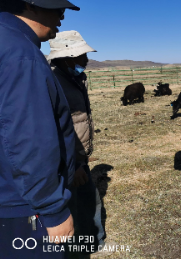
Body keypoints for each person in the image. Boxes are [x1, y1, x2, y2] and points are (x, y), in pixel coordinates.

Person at [0, 0, 81, 259]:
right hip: (22, 206)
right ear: (31, 4)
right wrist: (53, 209)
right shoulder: (22, 56)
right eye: (56, 7)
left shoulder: (3, 43)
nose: (61, 16)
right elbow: (28, 140)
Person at [47, 31, 116, 258]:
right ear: (67, 57)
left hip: (79, 158)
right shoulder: (53, 83)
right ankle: (76, 251)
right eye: (81, 55)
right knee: (73, 208)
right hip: (68, 162)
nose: (86, 60)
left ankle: (93, 242)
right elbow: (55, 130)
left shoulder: (74, 79)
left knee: (90, 201)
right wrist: (72, 164)